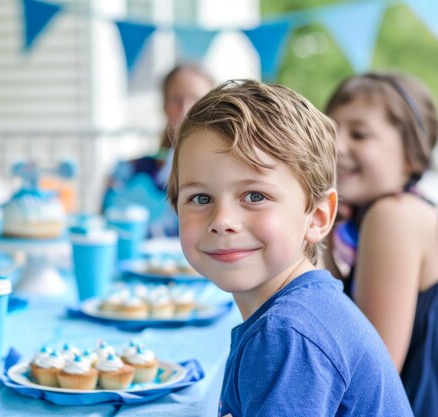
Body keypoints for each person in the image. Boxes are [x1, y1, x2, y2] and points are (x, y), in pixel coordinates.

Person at [167, 79, 413, 416]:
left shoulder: (286, 334)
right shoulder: (303, 309)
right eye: (200, 198)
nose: (222, 220)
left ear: (318, 216)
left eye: (255, 196)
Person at [324, 72, 438, 416]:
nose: (336, 146)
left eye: (359, 134)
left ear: (412, 157)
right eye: (330, 131)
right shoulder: (396, 209)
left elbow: (371, 378)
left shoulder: (393, 217)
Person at [102, 64, 214, 237]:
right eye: (176, 99)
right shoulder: (129, 172)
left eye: (195, 98)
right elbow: (107, 226)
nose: (185, 109)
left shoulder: (222, 175)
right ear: (164, 106)